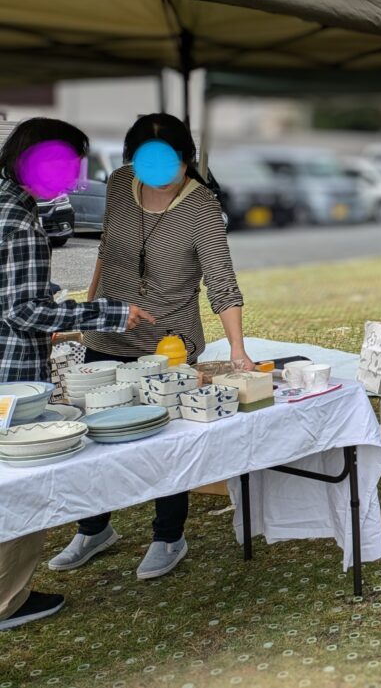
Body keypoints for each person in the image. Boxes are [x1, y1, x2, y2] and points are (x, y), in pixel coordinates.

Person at [49, 114, 247, 582]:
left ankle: (168, 535)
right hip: (105, 331)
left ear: (186, 160)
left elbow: (222, 282)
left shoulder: (201, 208)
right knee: (91, 435)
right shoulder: (120, 184)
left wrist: (237, 351)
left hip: (167, 343)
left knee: (165, 442)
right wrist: (88, 310)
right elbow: (105, 252)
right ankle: (94, 527)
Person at [0, 118, 153, 631]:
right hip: (10, 376)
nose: (71, 179)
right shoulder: (19, 222)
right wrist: (107, 314)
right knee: (18, 489)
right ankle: (7, 601)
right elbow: (24, 312)